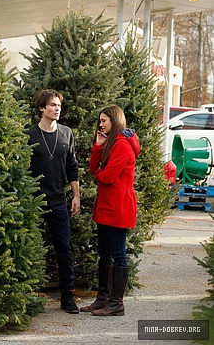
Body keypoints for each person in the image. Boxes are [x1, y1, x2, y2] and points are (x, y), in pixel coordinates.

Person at [80, 105, 140, 316]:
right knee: (104, 252)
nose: (100, 124)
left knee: (117, 253)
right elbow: (93, 168)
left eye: (104, 120)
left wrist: (99, 174)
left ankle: (116, 303)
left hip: (118, 205)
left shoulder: (122, 146)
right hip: (106, 204)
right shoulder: (110, 143)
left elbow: (107, 176)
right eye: (100, 120)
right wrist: (98, 145)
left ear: (115, 121)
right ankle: (102, 298)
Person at [27, 89, 80, 314]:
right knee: (30, 249)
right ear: (42, 108)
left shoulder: (66, 133)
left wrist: (76, 195)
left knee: (64, 249)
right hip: (34, 202)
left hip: (58, 201)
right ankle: (27, 296)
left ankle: (67, 296)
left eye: (58, 105)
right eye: (52, 105)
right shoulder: (29, 135)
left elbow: (72, 166)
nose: (57, 109)